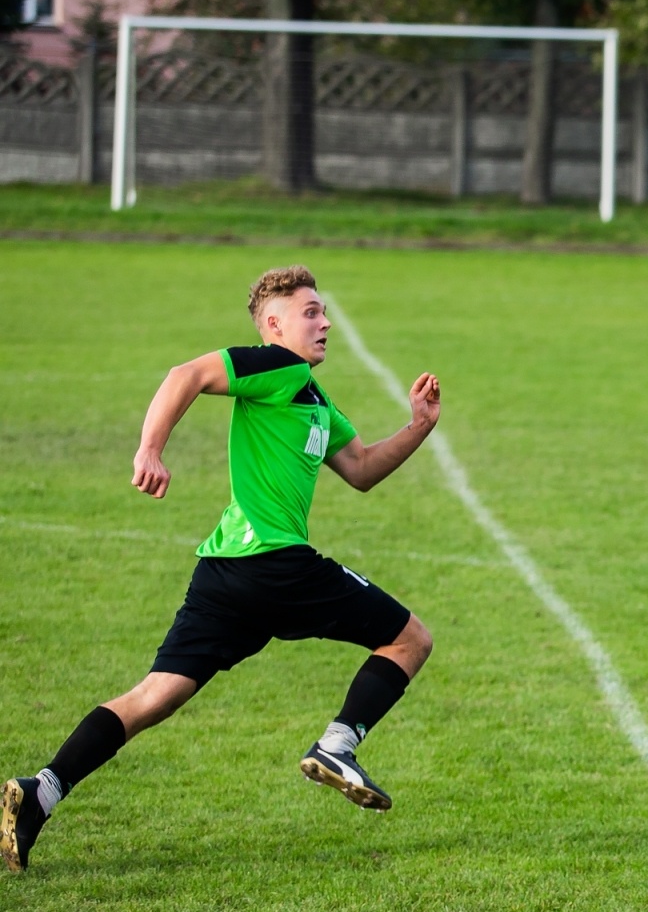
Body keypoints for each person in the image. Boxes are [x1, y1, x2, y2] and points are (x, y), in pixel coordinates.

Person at [2, 265, 441, 873]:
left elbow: (362, 467)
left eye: (323, 311)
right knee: (409, 638)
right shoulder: (275, 364)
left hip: (225, 573)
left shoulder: (312, 397)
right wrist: (149, 447)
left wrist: (418, 427)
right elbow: (188, 375)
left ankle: (38, 793)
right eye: (310, 312)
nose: (325, 322)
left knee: (153, 697)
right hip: (274, 563)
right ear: (273, 324)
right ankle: (338, 744)